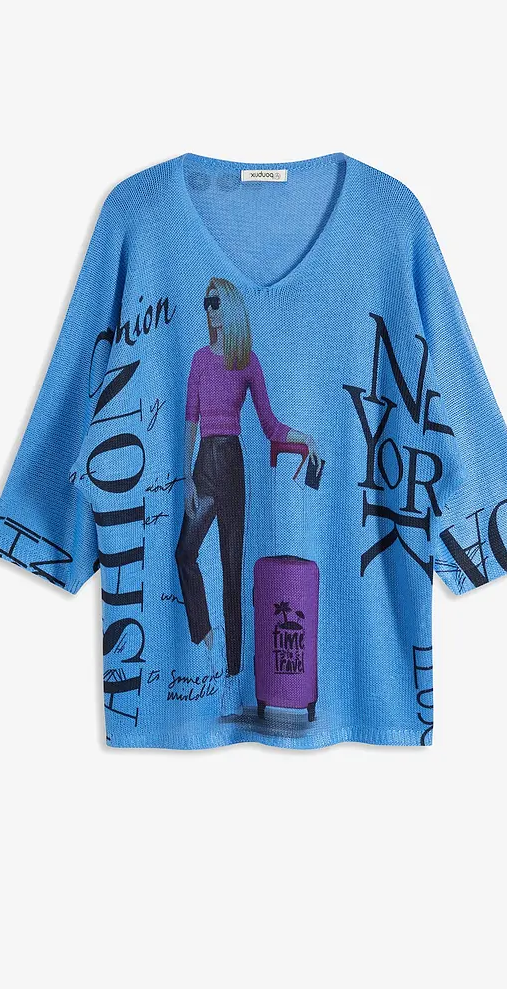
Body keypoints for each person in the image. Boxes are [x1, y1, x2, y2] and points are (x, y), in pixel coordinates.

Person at [175, 276, 320, 717]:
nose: (209, 311)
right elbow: (190, 421)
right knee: (184, 553)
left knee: (233, 570)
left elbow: (270, 425)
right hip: (204, 464)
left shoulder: (247, 362)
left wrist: (303, 438)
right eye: (205, 303)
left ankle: (234, 672)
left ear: (230, 308)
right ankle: (203, 631)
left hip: (233, 464)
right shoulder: (199, 360)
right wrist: (186, 478)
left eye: (216, 303)